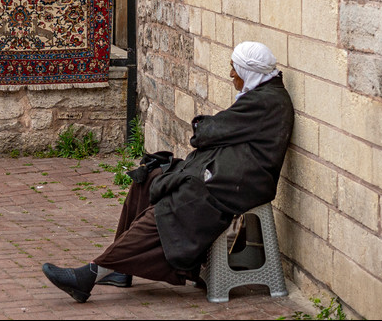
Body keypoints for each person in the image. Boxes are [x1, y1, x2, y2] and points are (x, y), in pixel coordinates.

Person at [41, 41, 294, 303]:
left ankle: (91, 273)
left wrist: (203, 126)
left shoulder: (266, 102)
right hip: (231, 173)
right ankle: (118, 269)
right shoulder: (262, 95)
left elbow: (206, 133)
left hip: (240, 183)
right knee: (149, 176)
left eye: (234, 68)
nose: (231, 74)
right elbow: (220, 131)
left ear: (248, 71)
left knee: (171, 206)